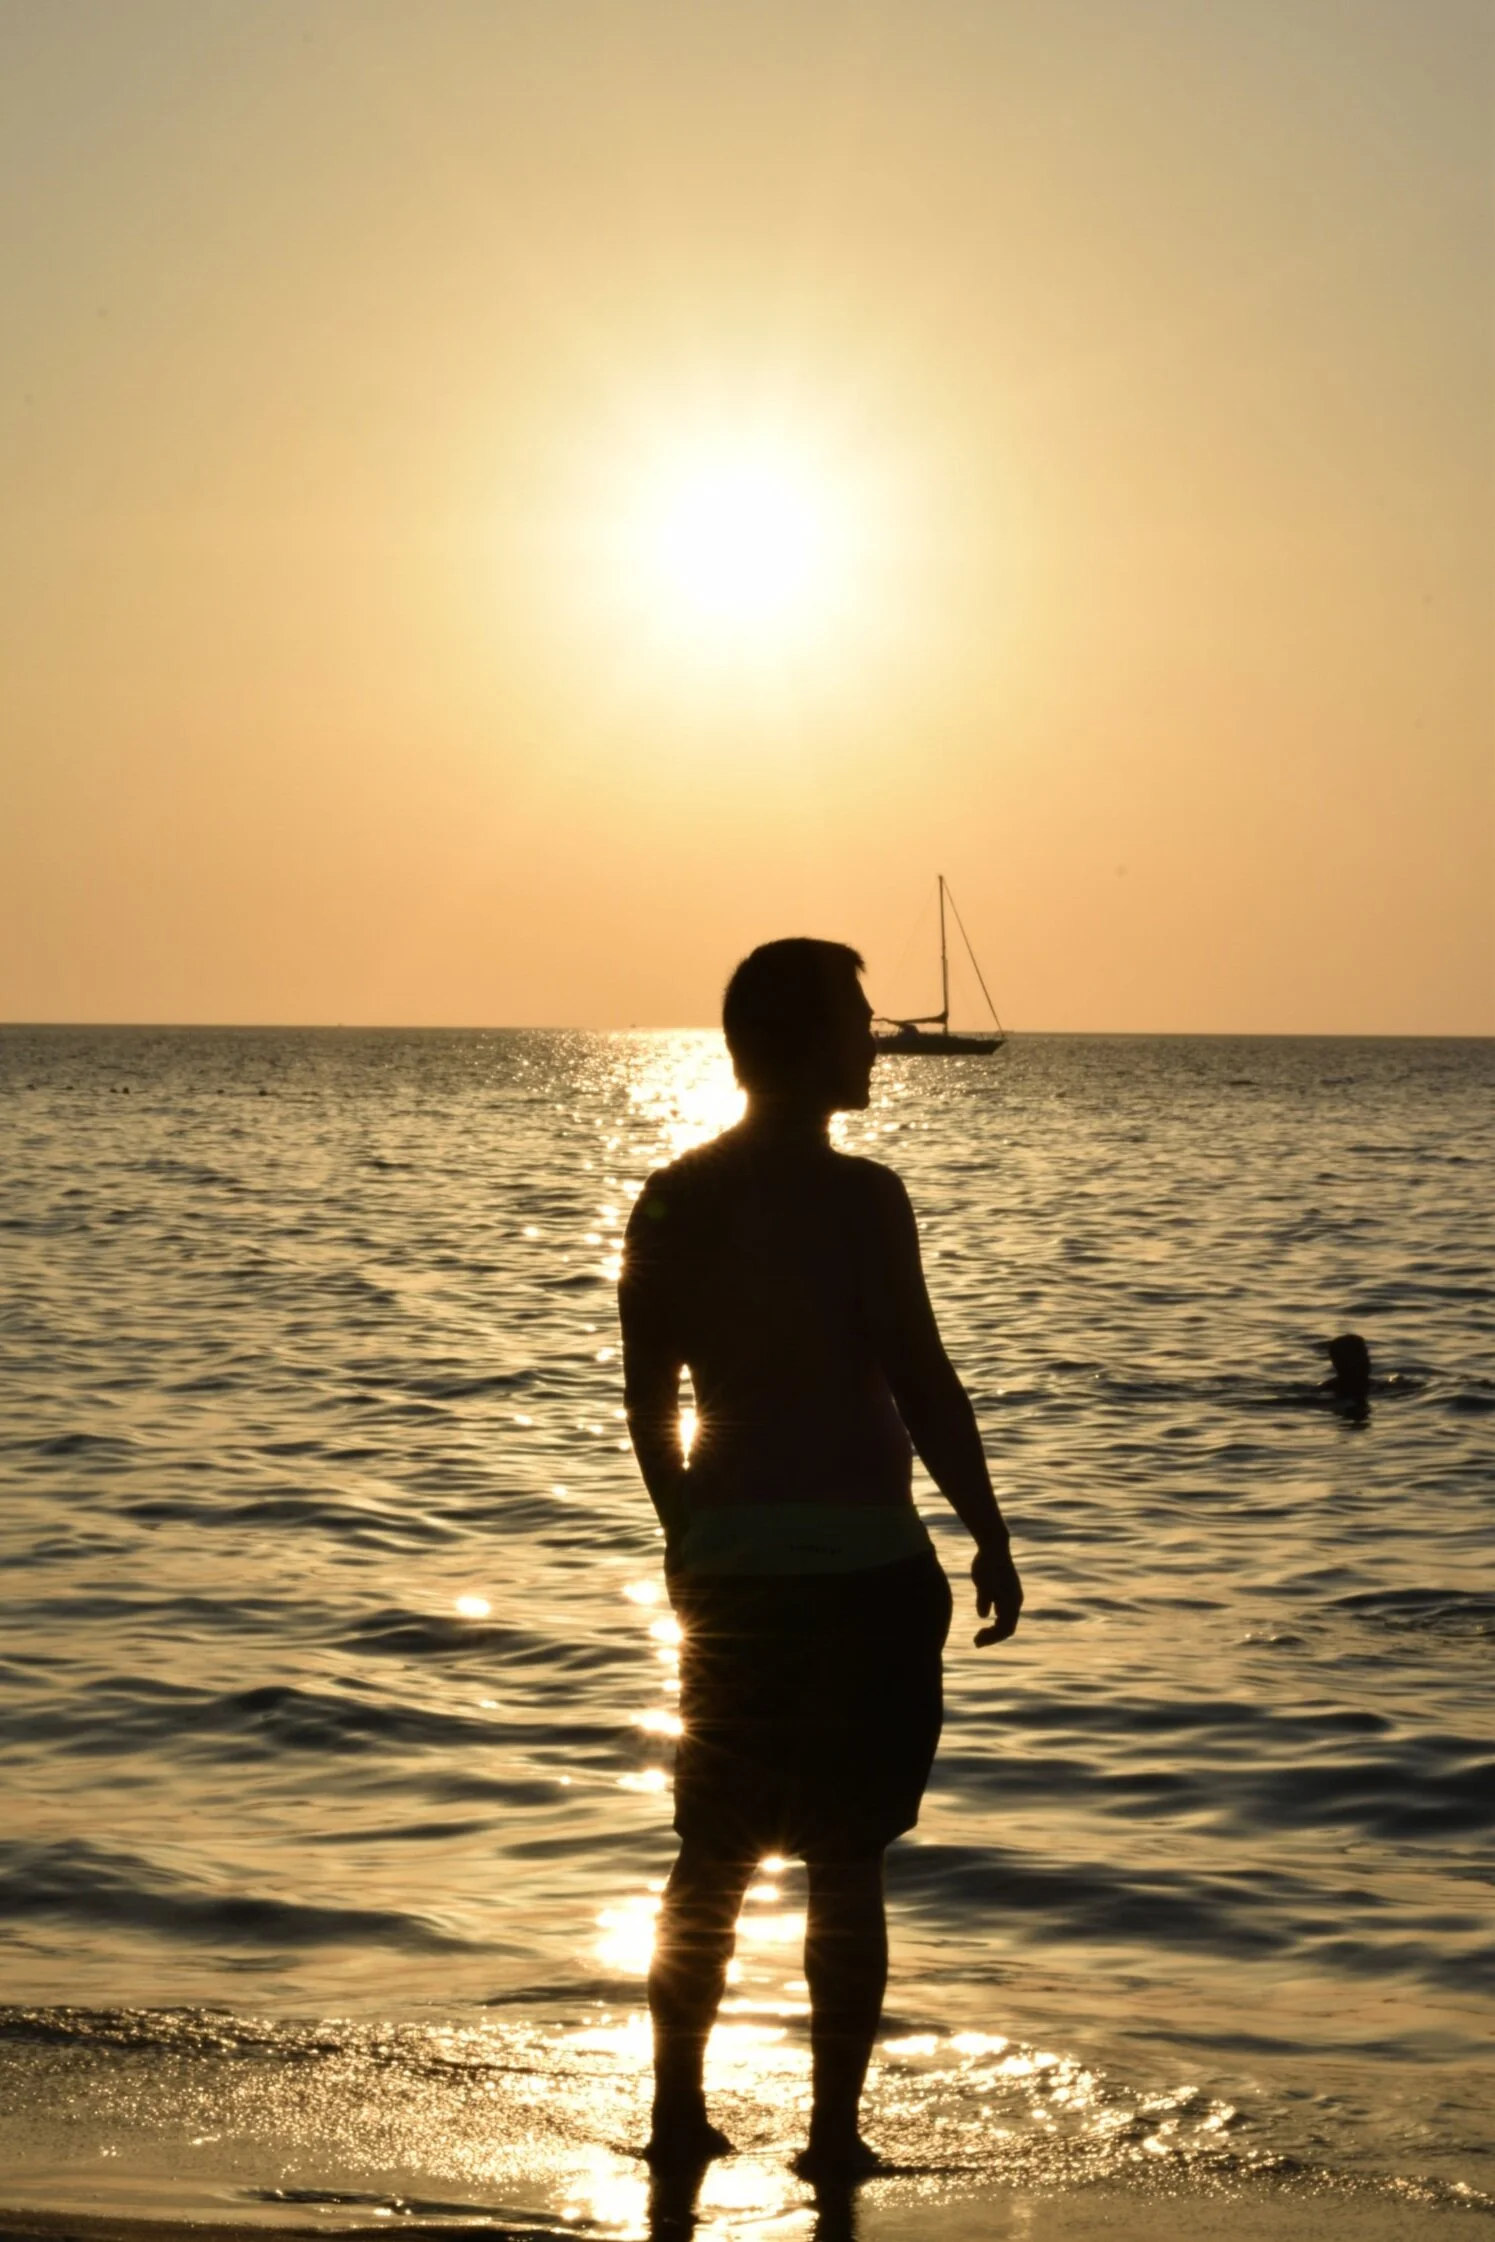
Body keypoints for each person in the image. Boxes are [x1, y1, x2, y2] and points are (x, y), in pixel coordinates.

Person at [618, 936, 1023, 2180]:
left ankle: (678, 2113)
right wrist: (988, 1529)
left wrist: (686, 1533)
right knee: (845, 1864)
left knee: (713, 1854)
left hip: (733, 1570)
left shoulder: (673, 1195)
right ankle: (831, 2136)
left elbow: (646, 1399)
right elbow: (921, 1375)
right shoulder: (863, 1200)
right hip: (858, 1576)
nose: (873, 1036)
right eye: (855, 1017)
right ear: (797, 1041)